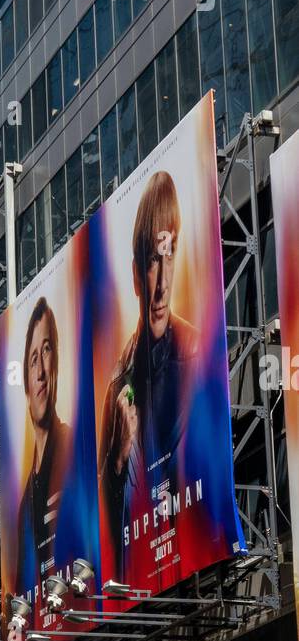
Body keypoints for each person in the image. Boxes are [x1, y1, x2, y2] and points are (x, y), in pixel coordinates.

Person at [98, 170, 198, 583]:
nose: (161, 285)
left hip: (196, 566)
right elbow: (103, 531)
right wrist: (118, 458)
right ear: (136, 275)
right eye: (152, 262)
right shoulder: (117, 385)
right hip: (138, 590)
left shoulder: (196, 352)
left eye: (168, 255)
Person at [14, 297, 72, 614]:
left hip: (80, 609)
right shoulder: (23, 506)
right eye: (33, 358)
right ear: (25, 379)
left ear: (57, 364)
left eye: (46, 351)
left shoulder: (74, 450)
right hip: (42, 630)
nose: (40, 372)